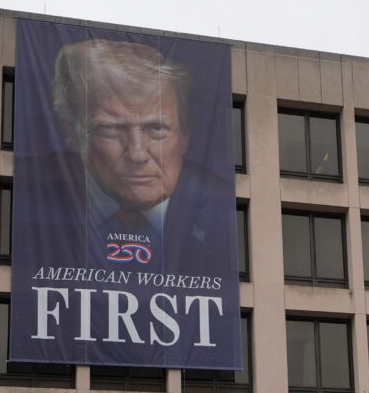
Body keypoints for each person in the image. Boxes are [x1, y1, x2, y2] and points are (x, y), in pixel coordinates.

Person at [15, 39, 235, 275]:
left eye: (157, 128)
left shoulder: (226, 207)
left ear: (185, 135)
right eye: (110, 129)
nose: (137, 154)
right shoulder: (26, 190)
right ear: (71, 131)